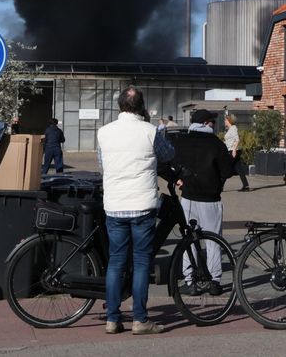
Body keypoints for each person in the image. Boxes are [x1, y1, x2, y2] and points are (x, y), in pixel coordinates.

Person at [96, 86, 173, 335]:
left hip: (115, 206)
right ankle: (140, 319)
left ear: (119, 105)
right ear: (141, 107)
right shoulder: (151, 131)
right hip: (142, 206)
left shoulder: (104, 132)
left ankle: (112, 319)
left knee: (116, 262)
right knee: (141, 262)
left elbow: (102, 163)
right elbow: (168, 155)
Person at [170, 109, 234, 295]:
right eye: (212, 122)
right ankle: (214, 282)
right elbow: (227, 171)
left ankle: (190, 281)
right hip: (210, 198)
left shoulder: (182, 141)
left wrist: (179, 179)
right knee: (213, 241)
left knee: (189, 240)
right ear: (207, 123)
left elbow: (172, 164)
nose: (214, 125)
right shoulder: (216, 144)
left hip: (188, 197)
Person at [223, 112, 251, 192]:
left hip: (233, 151)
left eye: (225, 120)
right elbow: (230, 141)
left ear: (229, 120)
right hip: (231, 150)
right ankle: (246, 186)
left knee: (225, 168)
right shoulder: (230, 129)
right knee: (239, 169)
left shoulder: (233, 128)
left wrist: (234, 150)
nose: (224, 121)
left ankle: (220, 187)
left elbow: (237, 139)